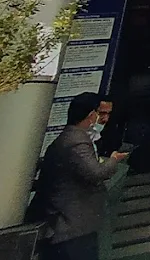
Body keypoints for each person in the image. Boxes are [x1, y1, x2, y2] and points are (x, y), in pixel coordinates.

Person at [33, 92, 129, 259]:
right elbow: (96, 173)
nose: (105, 119)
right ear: (91, 115)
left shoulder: (73, 138)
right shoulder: (76, 140)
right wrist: (113, 160)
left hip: (72, 224)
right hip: (71, 226)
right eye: (101, 113)